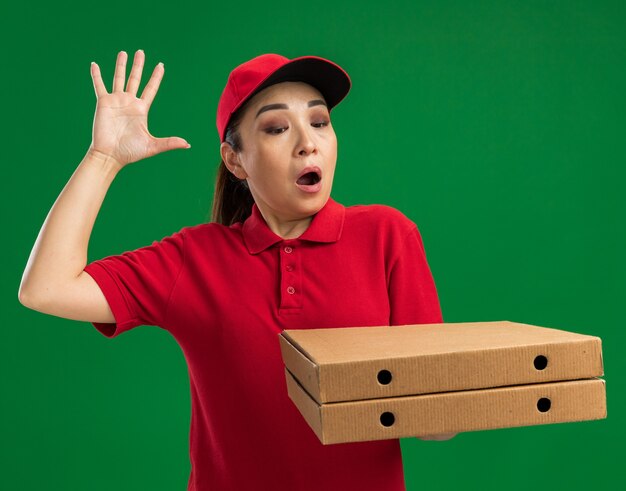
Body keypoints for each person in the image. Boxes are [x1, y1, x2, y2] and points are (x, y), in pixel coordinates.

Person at [18, 50, 456, 491]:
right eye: (276, 128)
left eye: (319, 122)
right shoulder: (195, 258)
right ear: (235, 160)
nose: (308, 142)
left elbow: (435, 422)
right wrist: (103, 158)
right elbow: (46, 288)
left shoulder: (387, 236)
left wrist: (455, 398)